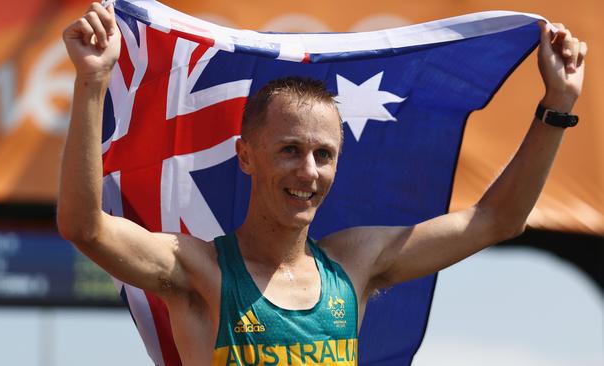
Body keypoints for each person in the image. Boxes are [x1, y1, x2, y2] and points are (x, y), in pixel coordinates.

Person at [58, 2, 587, 365]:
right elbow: (86, 228)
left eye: (323, 155)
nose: (308, 171)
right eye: (289, 150)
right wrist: (92, 84)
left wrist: (556, 108)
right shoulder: (199, 271)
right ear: (246, 156)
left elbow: (497, 219)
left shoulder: (355, 263)